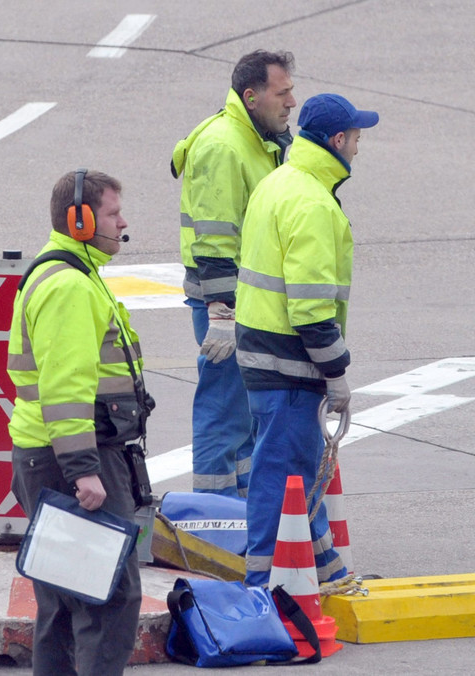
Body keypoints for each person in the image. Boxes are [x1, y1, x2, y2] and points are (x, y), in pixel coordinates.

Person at [7, 169, 154, 675]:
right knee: (108, 599)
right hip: (72, 459)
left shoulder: (71, 275)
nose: (123, 222)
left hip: (51, 455)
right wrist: (82, 468)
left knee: (65, 603)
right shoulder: (70, 285)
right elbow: (65, 388)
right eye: (113, 213)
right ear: (80, 219)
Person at [235, 93, 378, 587]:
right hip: (290, 366)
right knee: (283, 478)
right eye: (357, 138)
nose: (359, 148)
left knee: (293, 474)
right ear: (338, 141)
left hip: (263, 355)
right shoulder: (314, 203)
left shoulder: (279, 182)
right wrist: (336, 372)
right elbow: (312, 310)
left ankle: (325, 570)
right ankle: (265, 588)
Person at [171, 49, 297, 497]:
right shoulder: (224, 146)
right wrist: (221, 312)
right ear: (251, 95)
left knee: (243, 412)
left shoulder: (258, 138)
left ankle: (239, 504)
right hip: (226, 302)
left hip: (247, 299)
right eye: (282, 93)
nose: (292, 102)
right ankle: (212, 513)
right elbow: (214, 238)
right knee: (225, 408)